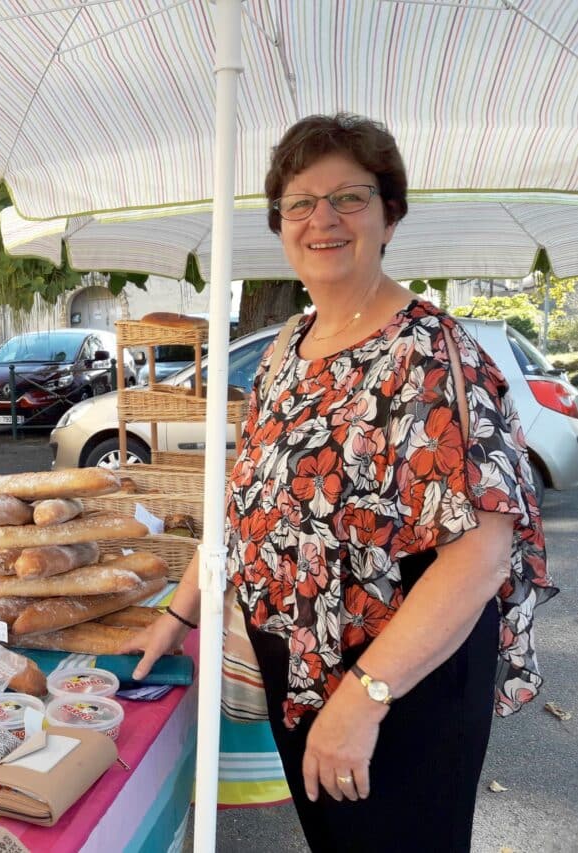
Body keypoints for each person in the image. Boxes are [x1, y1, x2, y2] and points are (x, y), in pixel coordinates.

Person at [121, 113, 555, 852]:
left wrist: (364, 697)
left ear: (389, 215)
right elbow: (241, 497)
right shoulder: (287, 343)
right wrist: (180, 613)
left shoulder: (433, 353)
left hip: (400, 678)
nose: (321, 219)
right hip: (297, 657)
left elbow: (478, 556)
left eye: (347, 198)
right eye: (299, 202)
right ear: (280, 223)